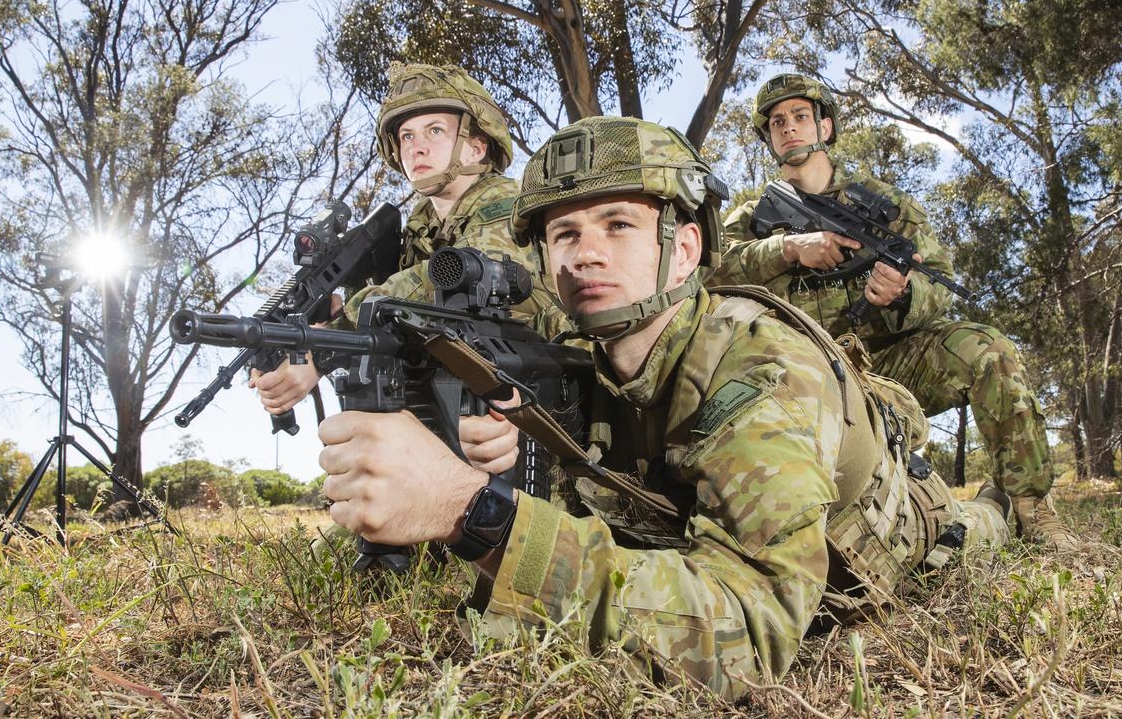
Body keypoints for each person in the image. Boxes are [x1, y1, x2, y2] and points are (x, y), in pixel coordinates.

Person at [316, 116, 1012, 698]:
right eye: (563, 234)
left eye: (617, 225)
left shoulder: (760, 366)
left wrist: (473, 512)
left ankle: (1001, 509)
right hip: (696, 522)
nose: (584, 254)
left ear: (684, 251)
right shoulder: (589, 361)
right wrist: (517, 452)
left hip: (897, 537)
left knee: (974, 528)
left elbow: (750, 637)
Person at [712, 73, 1078, 550]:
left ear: (826, 127)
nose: (789, 128)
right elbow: (708, 276)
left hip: (887, 363)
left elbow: (938, 283)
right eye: (777, 122)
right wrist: (786, 249)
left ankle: (1032, 507)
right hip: (798, 380)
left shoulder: (884, 205)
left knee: (989, 351)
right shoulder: (747, 218)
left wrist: (902, 296)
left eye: (801, 116)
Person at [250, 63, 558, 416]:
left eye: (435, 130)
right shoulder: (422, 225)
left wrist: (324, 345)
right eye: (407, 136)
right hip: (463, 396)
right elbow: (402, 318)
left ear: (476, 147)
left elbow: (442, 281)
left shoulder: (504, 204)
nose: (417, 148)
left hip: (541, 396)